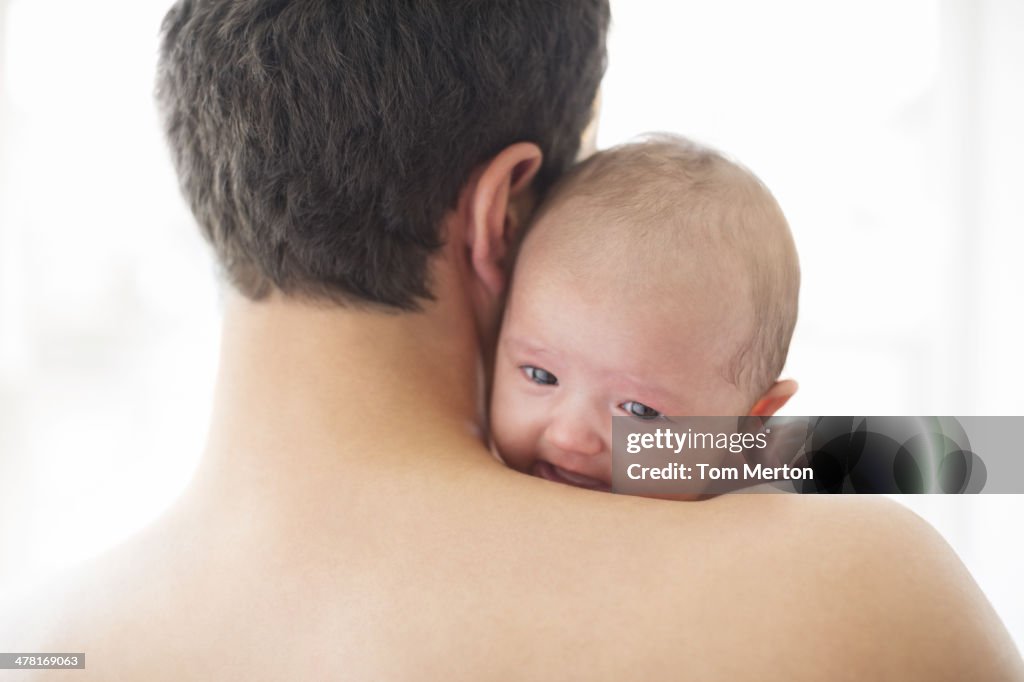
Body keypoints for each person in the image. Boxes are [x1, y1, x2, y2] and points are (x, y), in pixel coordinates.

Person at [3, 1, 1021, 679]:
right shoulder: (846, 605)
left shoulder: (41, 640)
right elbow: (956, 451)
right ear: (506, 209)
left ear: (212, 168)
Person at [490, 135, 800, 493]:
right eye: (540, 375)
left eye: (641, 411)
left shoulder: (763, 530)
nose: (569, 437)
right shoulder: (459, 469)